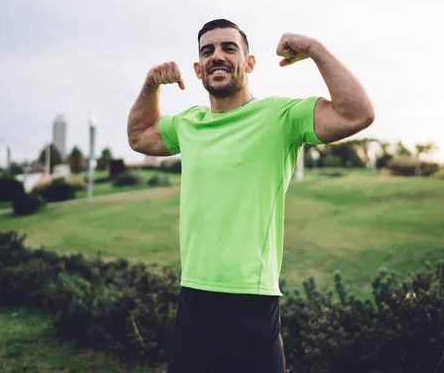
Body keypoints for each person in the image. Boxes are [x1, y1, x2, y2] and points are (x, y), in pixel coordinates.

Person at [127, 19, 375, 373]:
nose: (217, 56)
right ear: (198, 70)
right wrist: (151, 84)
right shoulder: (188, 123)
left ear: (250, 63)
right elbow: (139, 136)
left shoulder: (281, 116)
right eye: (208, 50)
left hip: (252, 299)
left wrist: (316, 50)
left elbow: (358, 113)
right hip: (194, 294)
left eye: (229, 48)